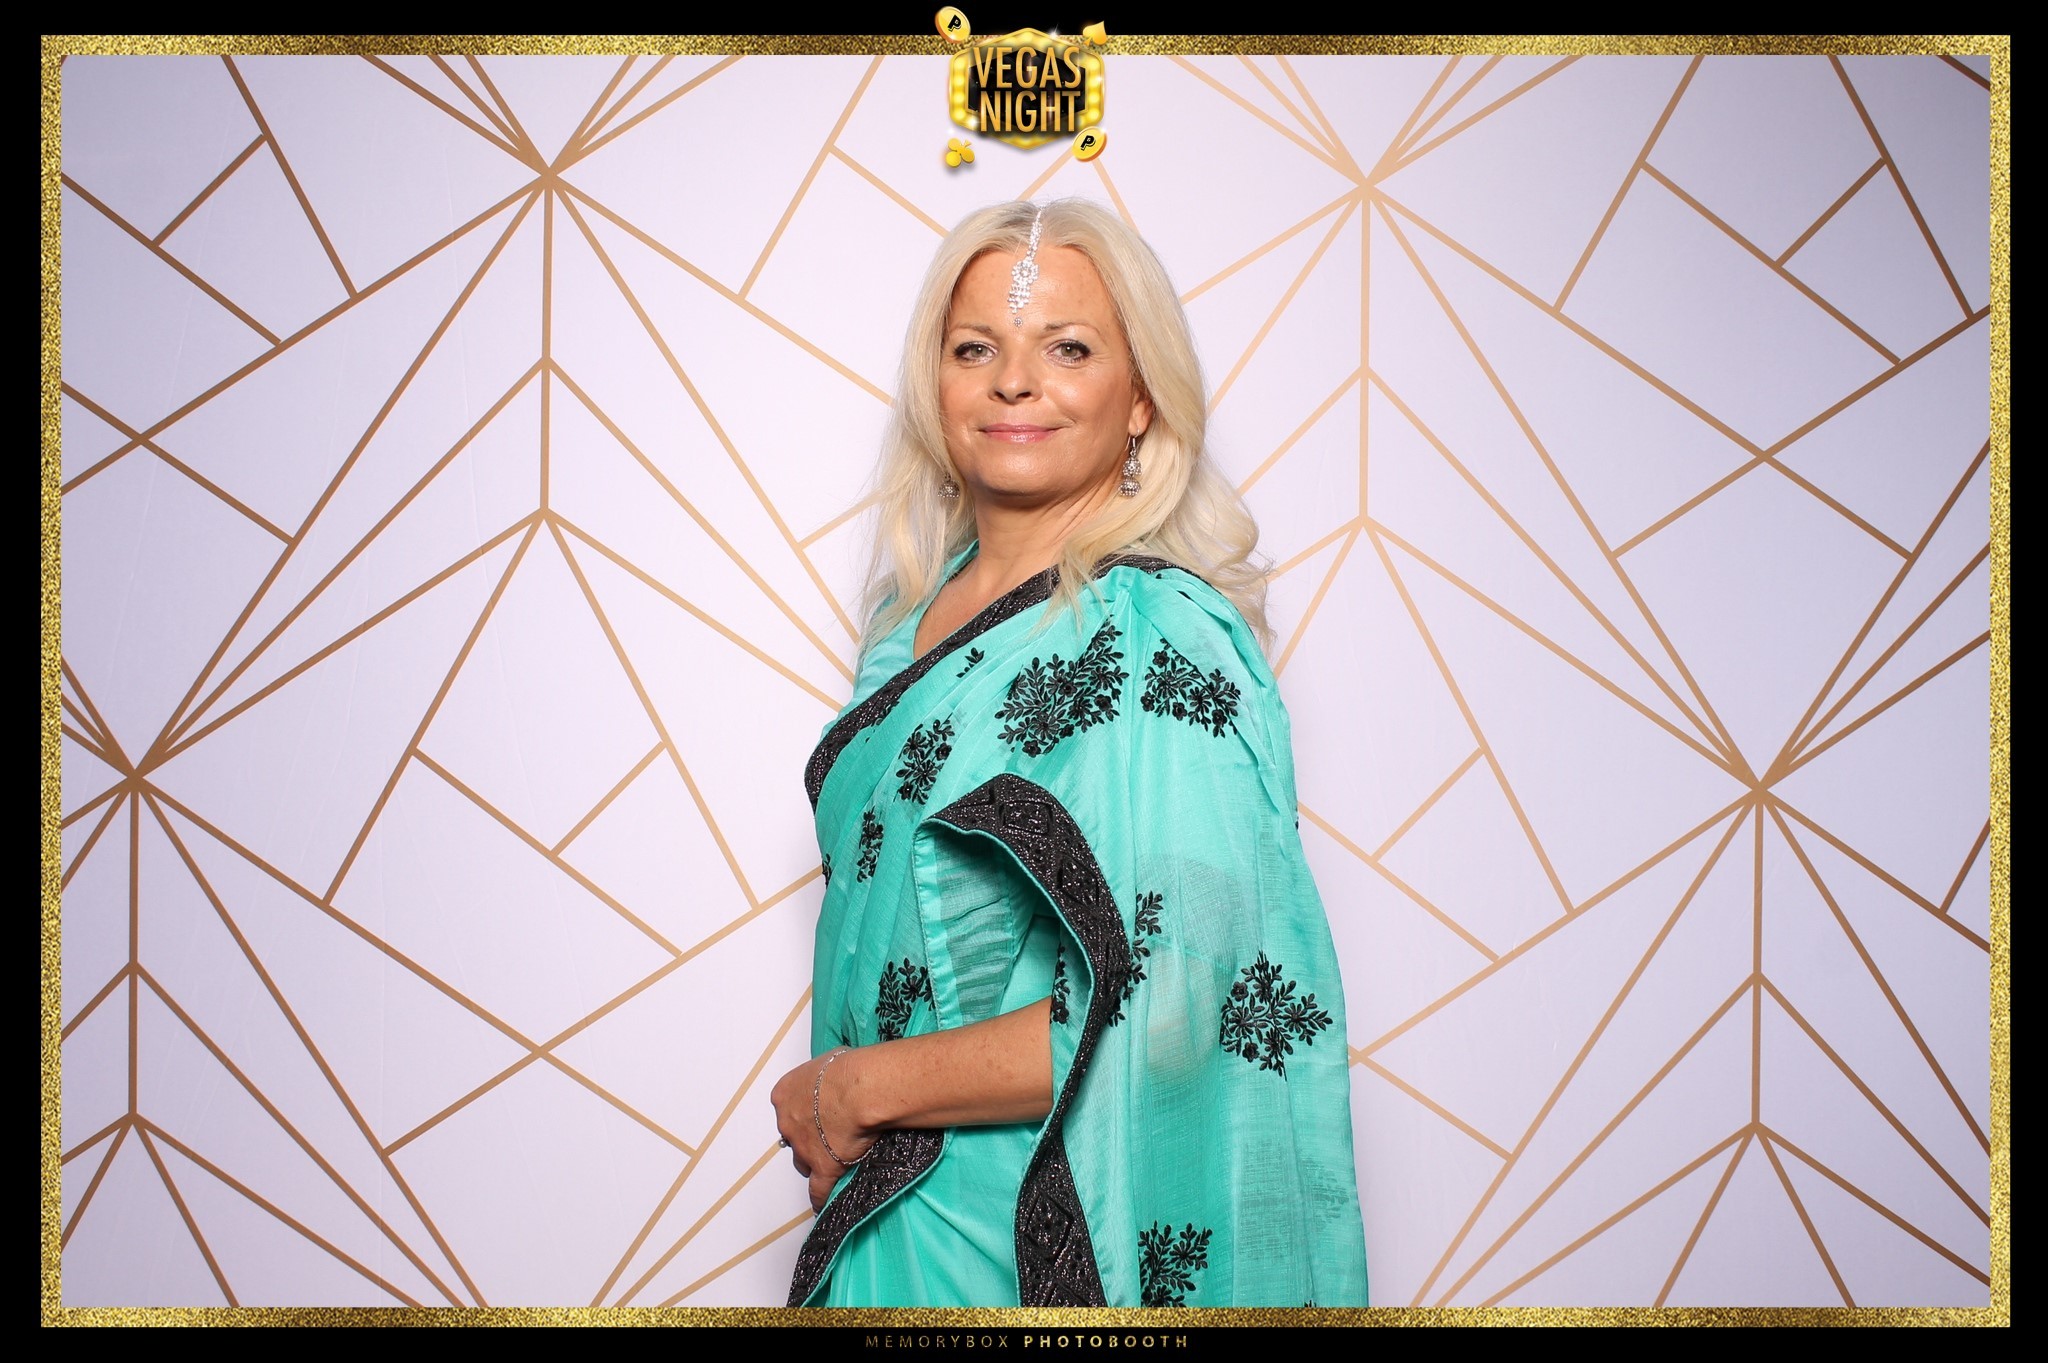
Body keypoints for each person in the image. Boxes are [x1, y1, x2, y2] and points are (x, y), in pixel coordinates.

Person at [768, 198, 1368, 1308]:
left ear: (1140, 398)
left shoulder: (1155, 636)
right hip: (882, 1226)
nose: (1013, 382)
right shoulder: (906, 632)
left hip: (1032, 1243)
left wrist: (858, 1088)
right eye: (973, 348)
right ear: (934, 383)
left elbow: (1182, 1005)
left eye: (1069, 348)